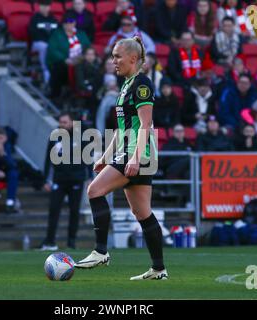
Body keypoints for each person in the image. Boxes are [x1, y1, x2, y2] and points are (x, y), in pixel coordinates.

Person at [75, 37, 168, 280]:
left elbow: (145, 125)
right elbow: (122, 127)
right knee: (142, 213)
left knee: (94, 190)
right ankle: (159, 269)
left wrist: (135, 158)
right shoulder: (127, 85)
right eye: (113, 56)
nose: (113, 61)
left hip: (137, 153)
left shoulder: (142, 84)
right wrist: (105, 156)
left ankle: (101, 251)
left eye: (117, 56)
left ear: (133, 58)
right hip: (130, 153)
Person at [41, 113, 93, 250]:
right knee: (54, 210)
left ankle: (71, 242)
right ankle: (50, 241)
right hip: (59, 179)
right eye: (60, 122)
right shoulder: (55, 136)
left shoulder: (82, 136)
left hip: (76, 179)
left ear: (72, 123)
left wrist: (90, 177)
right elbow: (48, 158)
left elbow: (88, 158)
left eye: (64, 122)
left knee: (74, 211)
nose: (61, 125)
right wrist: (46, 179)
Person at [46, 12, 90, 98]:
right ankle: (55, 95)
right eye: (66, 22)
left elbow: (88, 47)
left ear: (75, 23)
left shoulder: (81, 34)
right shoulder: (57, 34)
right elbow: (52, 50)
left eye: (71, 22)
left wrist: (82, 57)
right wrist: (65, 59)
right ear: (63, 24)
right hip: (64, 62)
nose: (69, 24)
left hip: (81, 60)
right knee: (58, 69)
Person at [28, 0, 58, 84]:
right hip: (37, 43)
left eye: (47, 6)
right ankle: (46, 71)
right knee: (44, 46)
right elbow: (32, 33)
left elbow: (56, 33)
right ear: (39, 7)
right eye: (43, 6)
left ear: (49, 7)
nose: (45, 8)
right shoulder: (35, 18)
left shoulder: (53, 19)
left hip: (51, 43)